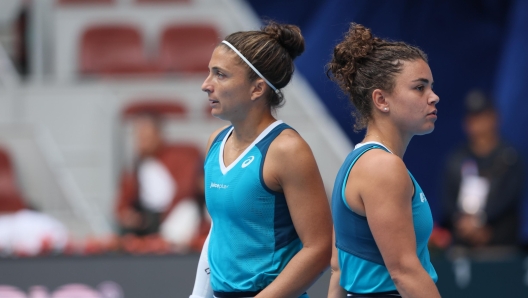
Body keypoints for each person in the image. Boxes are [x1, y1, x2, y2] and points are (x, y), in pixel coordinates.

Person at [190, 21, 332, 298]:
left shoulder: (288, 150)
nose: (206, 85)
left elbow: (319, 248)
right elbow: (221, 233)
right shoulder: (215, 141)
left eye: (220, 75)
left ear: (257, 89)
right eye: (210, 73)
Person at [326, 23, 440, 298]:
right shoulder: (382, 167)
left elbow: (338, 269)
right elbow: (404, 272)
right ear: (381, 99)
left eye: (431, 87)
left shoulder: (361, 162)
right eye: (419, 88)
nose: (433, 96)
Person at [440, 89, 525, 248]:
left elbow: (508, 199)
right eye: (472, 118)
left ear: (495, 118)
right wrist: (465, 225)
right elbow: (448, 203)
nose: (477, 124)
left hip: (501, 246)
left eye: (482, 117)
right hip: (463, 244)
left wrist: (481, 223)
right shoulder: (456, 159)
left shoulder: (510, 157)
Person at [115, 113, 205, 251]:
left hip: (178, 216)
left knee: (187, 210)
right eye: (139, 138)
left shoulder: (181, 156)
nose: (142, 142)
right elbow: (123, 203)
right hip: (148, 222)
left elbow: (190, 188)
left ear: (158, 135)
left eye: (147, 137)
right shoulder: (137, 166)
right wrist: (129, 216)